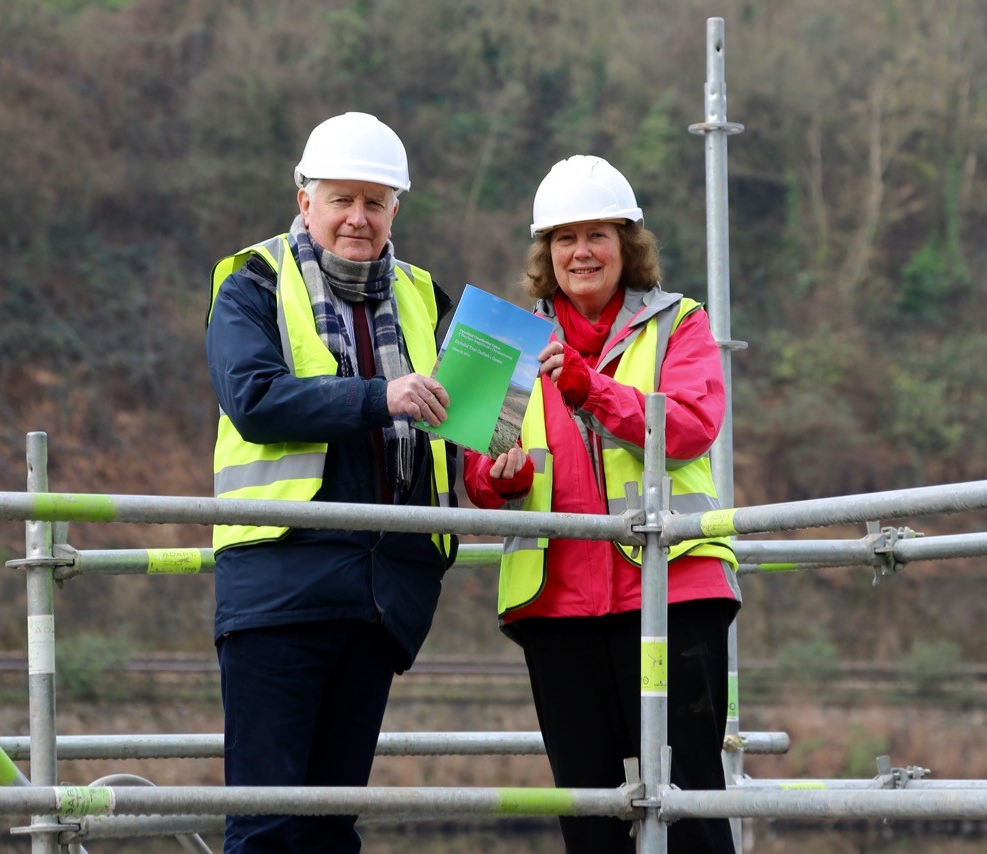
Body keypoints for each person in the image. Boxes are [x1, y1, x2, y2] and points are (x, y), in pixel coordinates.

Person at [463, 155, 741, 853]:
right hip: (557, 605)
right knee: (588, 813)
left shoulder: (681, 324)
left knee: (691, 806)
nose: (580, 252)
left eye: (597, 235)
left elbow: (687, 429)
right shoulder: (502, 342)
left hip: (673, 591)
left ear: (629, 246)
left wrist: (592, 389)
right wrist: (504, 476)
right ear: (545, 254)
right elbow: (475, 474)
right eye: (564, 238)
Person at [205, 111, 457, 852]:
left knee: (329, 827)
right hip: (280, 587)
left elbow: (456, 428)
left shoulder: (423, 294)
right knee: (266, 825)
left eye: (375, 202)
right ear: (304, 197)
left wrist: (500, 464)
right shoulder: (251, 282)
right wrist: (381, 395)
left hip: (381, 597)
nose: (358, 217)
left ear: (395, 211)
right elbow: (253, 399)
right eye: (342, 198)